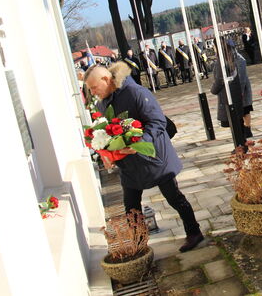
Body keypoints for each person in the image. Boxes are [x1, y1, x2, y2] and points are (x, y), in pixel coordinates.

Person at [84, 63, 204, 252]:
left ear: (106, 80)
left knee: (174, 198)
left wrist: (140, 144)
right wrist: (106, 153)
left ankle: (194, 232)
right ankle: (139, 245)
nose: (93, 93)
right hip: (129, 164)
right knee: (131, 207)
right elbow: (104, 133)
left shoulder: (135, 92)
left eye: (94, 88)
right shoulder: (101, 104)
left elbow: (157, 121)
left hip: (155, 157)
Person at [210, 38, 248, 140]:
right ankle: (242, 143)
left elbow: (219, 80)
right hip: (235, 94)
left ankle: (240, 146)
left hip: (227, 97)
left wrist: (213, 90)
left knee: (234, 123)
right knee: (238, 122)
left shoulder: (221, 62)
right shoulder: (231, 57)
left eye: (213, 47)